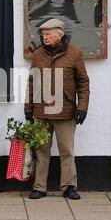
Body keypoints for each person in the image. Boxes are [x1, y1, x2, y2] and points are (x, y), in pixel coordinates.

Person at [24, 18, 90, 200]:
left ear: (59, 35)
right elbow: (32, 82)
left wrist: (82, 108)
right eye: (43, 34)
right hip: (41, 110)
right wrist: (28, 109)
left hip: (66, 110)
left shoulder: (75, 53)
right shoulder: (38, 55)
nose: (44, 37)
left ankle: (69, 186)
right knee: (41, 150)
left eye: (48, 34)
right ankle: (39, 187)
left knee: (67, 150)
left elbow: (83, 83)